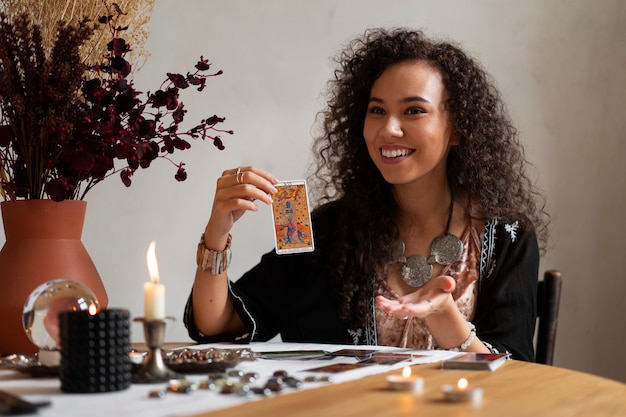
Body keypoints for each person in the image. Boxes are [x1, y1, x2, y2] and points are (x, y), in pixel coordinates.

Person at [184, 27, 549, 361]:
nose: (388, 129)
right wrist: (217, 235)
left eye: (414, 110)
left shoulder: (506, 236)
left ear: (457, 128)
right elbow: (219, 328)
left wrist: (448, 323)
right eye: (377, 110)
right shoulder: (325, 234)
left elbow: (517, 373)